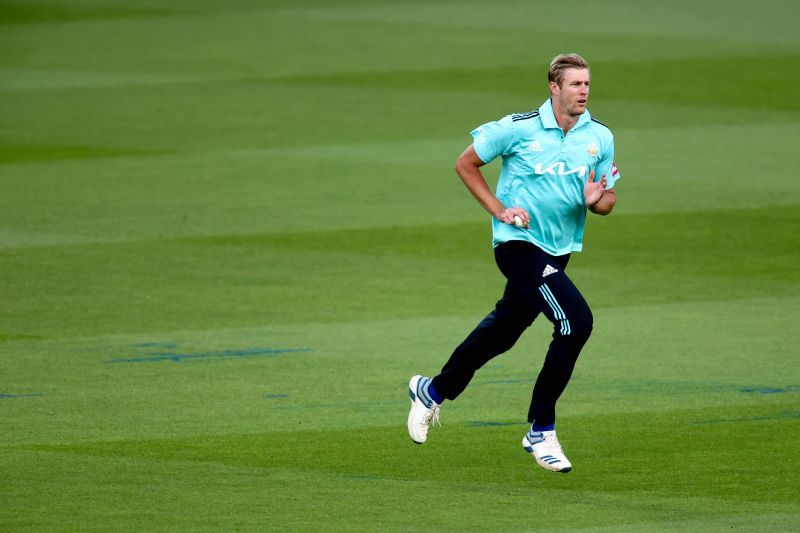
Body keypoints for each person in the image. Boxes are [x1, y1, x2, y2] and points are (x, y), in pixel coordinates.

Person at [407, 53, 620, 473]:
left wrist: (598, 202)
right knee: (576, 321)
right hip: (517, 245)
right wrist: (499, 209)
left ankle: (431, 390)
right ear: (554, 88)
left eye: (587, 84)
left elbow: (608, 197)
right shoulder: (519, 129)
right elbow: (465, 163)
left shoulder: (599, 136)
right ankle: (541, 428)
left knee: (503, 331)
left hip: (558, 251)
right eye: (575, 84)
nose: (584, 91)